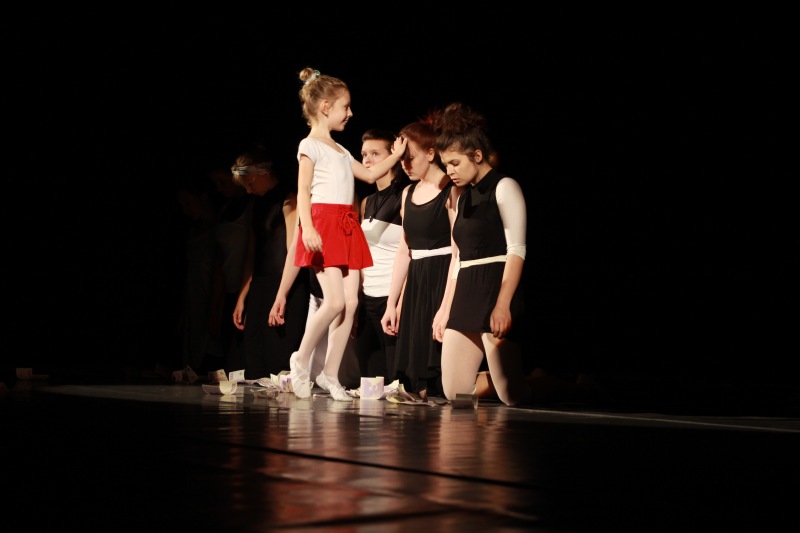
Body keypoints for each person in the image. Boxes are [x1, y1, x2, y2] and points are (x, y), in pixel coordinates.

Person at [433, 103, 591, 406]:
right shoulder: (462, 197)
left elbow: (517, 249)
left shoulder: (504, 187)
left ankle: (577, 388)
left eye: (454, 163)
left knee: (513, 396)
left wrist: (503, 304)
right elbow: (459, 259)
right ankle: (512, 380)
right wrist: (445, 309)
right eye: (445, 164)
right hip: (466, 293)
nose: (449, 170)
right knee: (456, 394)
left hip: (495, 288)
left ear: (476, 155)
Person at [288, 67, 407, 401]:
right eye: (345, 106)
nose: (350, 113)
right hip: (323, 224)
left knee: (351, 303)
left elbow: (368, 175)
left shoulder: (340, 150)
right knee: (335, 301)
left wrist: (397, 155)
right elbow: (303, 191)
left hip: (346, 225)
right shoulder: (310, 145)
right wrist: (308, 227)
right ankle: (300, 358)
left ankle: (330, 374)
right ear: (326, 107)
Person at [380, 118, 462, 398]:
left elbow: (458, 251)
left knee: (443, 374)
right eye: (401, 159)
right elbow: (404, 251)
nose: (405, 165)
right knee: (415, 378)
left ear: (430, 153)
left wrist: (446, 305)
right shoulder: (407, 193)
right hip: (417, 283)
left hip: (443, 279)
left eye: (410, 157)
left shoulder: (451, 190)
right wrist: (392, 303)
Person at [231, 146, 309, 380]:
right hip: (260, 284)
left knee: (277, 358)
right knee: (254, 354)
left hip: (285, 284)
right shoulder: (256, 204)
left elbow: (293, 250)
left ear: (262, 173)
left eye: (250, 184)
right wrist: (242, 296)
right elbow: (252, 254)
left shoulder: (289, 199)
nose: (248, 190)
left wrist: (282, 294)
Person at [355, 129, 409, 378]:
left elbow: (410, 252)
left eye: (375, 154)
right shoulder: (366, 202)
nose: (367, 160)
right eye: (364, 154)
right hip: (367, 299)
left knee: (395, 379)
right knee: (368, 378)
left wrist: (398, 303)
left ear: (394, 156)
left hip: (391, 298)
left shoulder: (405, 196)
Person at [208, 163, 251, 373]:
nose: (219, 188)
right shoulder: (225, 209)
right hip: (229, 286)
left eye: (223, 182)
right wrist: (215, 306)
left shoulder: (249, 208)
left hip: (248, 287)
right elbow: (219, 260)